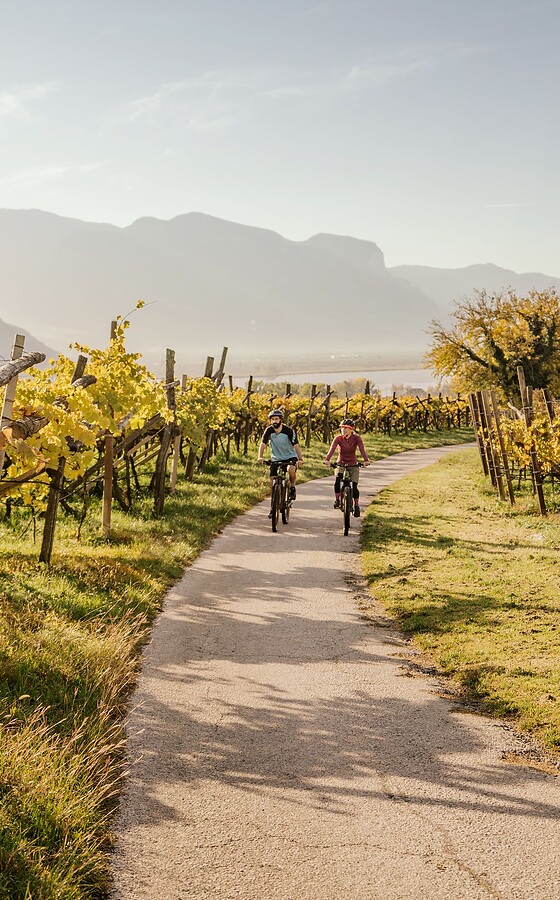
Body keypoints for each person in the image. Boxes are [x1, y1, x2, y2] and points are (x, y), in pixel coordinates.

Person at [324, 418, 370, 516]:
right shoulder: (338, 438)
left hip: (353, 464)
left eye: (346, 428)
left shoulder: (357, 438)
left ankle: (356, 505)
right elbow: (332, 449)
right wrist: (327, 460)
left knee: (354, 485)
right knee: (337, 480)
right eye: (342, 428)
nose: (343, 430)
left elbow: (362, 449)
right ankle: (337, 500)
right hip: (341, 463)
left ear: (351, 429)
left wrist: (366, 460)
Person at [258, 409, 303, 505]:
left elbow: (296, 446)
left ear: (281, 420)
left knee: (291, 469)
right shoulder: (269, 430)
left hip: (290, 457)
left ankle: (292, 487)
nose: (274, 421)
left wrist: (300, 459)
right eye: (273, 419)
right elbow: (263, 444)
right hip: (276, 458)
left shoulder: (289, 431)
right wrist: (260, 456)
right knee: (272, 479)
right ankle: (273, 503)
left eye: (276, 419)